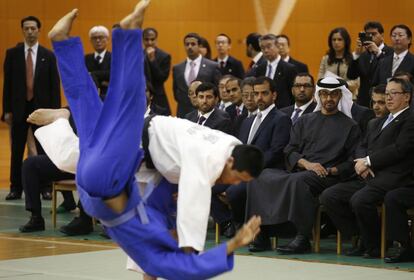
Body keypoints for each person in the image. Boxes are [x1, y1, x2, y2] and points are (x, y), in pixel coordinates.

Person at [48, 2, 263, 279]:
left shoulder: (226, 143)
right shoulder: (210, 160)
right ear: (232, 160)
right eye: (237, 177)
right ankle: (98, 40)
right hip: (119, 163)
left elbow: (181, 196)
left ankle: (82, 49)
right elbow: (193, 200)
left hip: (113, 171)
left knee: (99, 103)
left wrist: (197, 245)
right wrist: (191, 247)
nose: (232, 182)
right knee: (105, 102)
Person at [246, 77, 361, 253]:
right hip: (304, 170)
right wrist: (307, 164)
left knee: (300, 181)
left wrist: (331, 170)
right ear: (318, 96)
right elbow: (290, 150)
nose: (328, 99)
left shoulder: (350, 126)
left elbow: (352, 161)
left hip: (328, 176)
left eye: (333, 95)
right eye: (324, 94)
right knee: (261, 177)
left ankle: (302, 237)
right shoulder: (305, 120)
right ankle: (262, 234)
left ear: (340, 96)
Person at [320, 78, 414, 258]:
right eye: (387, 94)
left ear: (407, 97)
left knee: (360, 200)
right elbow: (362, 145)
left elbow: (400, 149)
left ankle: (374, 245)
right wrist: (361, 162)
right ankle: (365, 237)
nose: (388, 98)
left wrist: (369, 161)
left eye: (393, 93)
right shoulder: (375, 122)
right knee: (330, 196)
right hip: (368, 176)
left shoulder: (410, 119)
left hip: (394, 177)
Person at [2, 15, 61, 200]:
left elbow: (54, 86)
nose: (29, 31)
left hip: (41, 110)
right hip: (19, 109)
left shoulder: (48, 56)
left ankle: (45, 188)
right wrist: (6, 110)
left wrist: (55, 113)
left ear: (38, 30)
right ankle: (15, 187)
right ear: (22, 30)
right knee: (17, 149)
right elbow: (7, 85)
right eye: (26, 28)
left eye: (33, 28)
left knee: (44, 150)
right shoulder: (12, 54)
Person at [173, 32, 221, 117]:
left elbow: (217, 91)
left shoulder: (212, 66)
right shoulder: (177, 68)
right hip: (183, 113)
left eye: (193, 44)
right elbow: (176, 93)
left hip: (206, 113)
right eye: (187, 44)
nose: (190, 47)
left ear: (199, 46)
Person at [347, 21, 393, 107]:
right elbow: (351, 75)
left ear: (382, 35)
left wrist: (379, 53)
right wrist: (356, 54)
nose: (371, 37)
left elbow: (388, 72)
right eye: (368, 34)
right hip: (364, 101)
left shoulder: (391, 52)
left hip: (383, 100)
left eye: (374, 34)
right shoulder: (363, 54)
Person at [254, 34, 297, 108]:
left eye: (269, 46)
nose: (266, 50)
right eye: (263, 48)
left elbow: (293, 94)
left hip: (283, 110)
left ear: (277, 46)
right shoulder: (260, 68)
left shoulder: (289, 68)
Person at [318, 27, 359, 97]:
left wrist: (340, 84)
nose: (336, 42)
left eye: (340, 39)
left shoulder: (353, 58)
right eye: (334, 40)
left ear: (345, 41)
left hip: (349, 96)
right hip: (329, 97)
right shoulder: (325, 59)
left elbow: (356, 82)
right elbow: (320, 79)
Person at [143, 27, 172, 114]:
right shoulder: (138, 55)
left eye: (152, 39)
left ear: (156, 39)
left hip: (158, 97)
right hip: (141, 96)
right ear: (143, 40)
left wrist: (153, 61)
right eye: (146, 39)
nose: (149, 42)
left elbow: (161, 78)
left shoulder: (165, 56)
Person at [85, 25, 111, 100]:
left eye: (101, 37)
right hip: (90, 99)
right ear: (90, 41)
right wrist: (104, 82)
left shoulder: (114, 58)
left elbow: (114, 75)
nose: (98, 40)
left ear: (107, 39)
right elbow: (84, 77)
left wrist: (93, 74)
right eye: (94, 38)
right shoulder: (86, 59)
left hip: (110, 98)